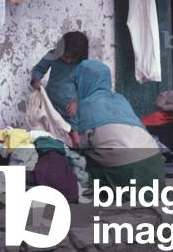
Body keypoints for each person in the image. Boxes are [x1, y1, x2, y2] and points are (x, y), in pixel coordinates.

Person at [71, 59, 165, 190]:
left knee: (78, 162)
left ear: (83, 82)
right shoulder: (120, 99)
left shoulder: (85, 106)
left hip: (126, 169)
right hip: (155, 165)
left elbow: (79, 145)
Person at [30, 31, 88, 146]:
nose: (66, 59)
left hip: (70, 110)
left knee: (73, 138)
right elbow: (38, 69)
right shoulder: (52, 54)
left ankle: (73, 158)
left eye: (70, 57)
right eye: (64, 54)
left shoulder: (83, 65)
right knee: (49, 134)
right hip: (50, 105)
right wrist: (36, 80)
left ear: (79, 57)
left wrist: (76, 102)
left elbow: (85, 86)